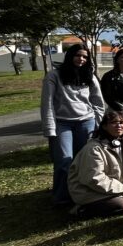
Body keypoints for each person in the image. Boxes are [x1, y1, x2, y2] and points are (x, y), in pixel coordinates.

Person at [42, 44, 105, 207]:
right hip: (62, 124)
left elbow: (97, 101)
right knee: (64, 161)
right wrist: (50, 128)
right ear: (70, 56)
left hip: (86, 122)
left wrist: (99, 123)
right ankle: (62, 198)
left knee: (86, 160)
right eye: (78, 55)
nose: (81, 59)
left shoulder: (89, 76)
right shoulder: (54, 76)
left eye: (85, 57)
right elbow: (47, 104)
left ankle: (85, 194)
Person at [67, 111, 123, 219]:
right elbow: (94, 179)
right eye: (113, 122)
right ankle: (81, 210)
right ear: (105, 126)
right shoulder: (93, 149)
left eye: (121, 122)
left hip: (117, 190)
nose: (119, 125)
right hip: (91, 192)